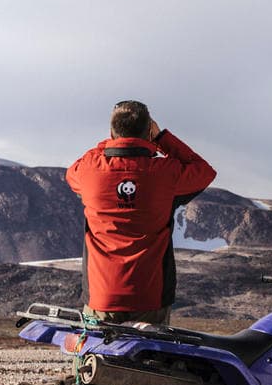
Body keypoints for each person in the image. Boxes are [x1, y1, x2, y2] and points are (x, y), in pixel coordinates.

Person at [66, 100, 216, 325]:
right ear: (149, 131)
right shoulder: (166, 173)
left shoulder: (90, 169)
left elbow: (72, 172)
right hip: (150, 297)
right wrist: (162, 138)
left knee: (96, 358)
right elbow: (203, 170)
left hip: (101, 296)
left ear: (111, 131)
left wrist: (110, 145)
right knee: (150, 359)